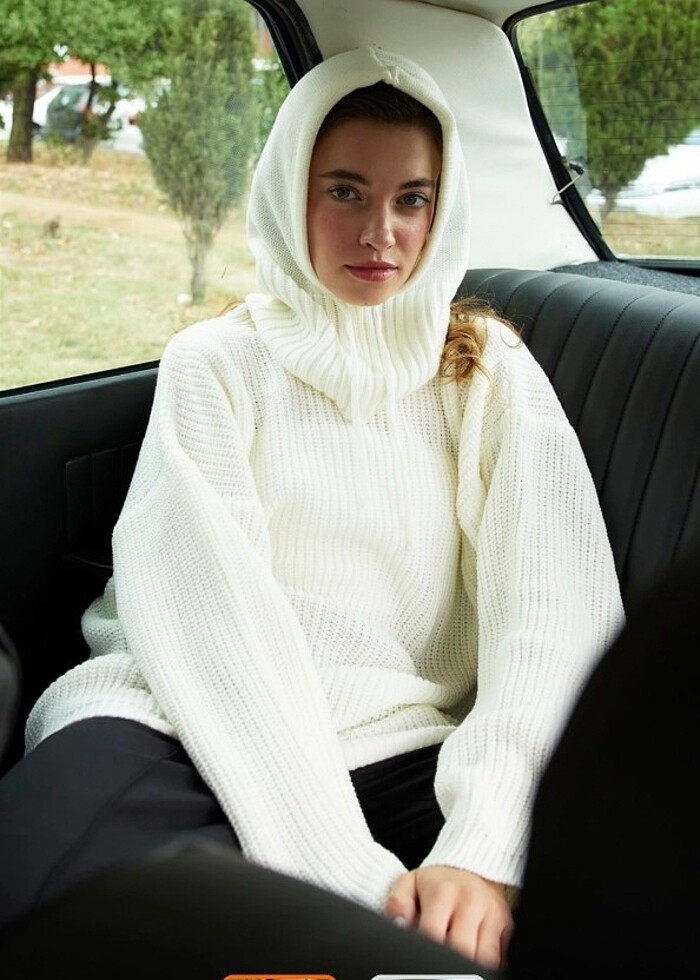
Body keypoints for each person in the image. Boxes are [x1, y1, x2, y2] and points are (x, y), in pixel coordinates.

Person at [0, 46, 623, 971]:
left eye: (412, 199)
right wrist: (347, 882)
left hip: (403, 743)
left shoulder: (488, 371)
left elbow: (555, 617)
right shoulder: (216, 363)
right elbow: (208, 624)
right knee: (35, 894)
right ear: (290, 193)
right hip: (175, 720)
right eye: (344, 192)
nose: (381, 232)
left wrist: (484, 849)